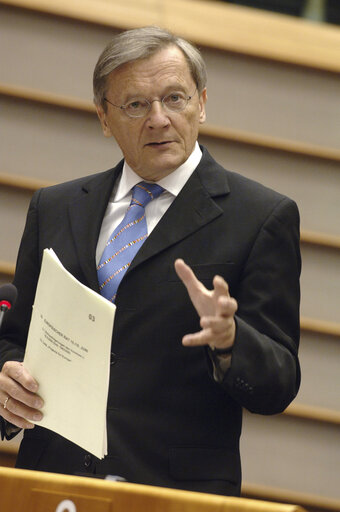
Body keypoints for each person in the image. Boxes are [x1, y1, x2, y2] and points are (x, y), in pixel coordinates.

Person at [0, 26, 301, 496]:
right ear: (104, 117)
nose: (159, 119)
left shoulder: (261, 217)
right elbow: (15, 339)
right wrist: (7, 380)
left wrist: (230, 341)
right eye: (136, 105)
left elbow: (279, 382)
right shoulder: (55, 208)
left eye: (175, 98)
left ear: (202, 102)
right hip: (49, 478)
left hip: (171, 492)